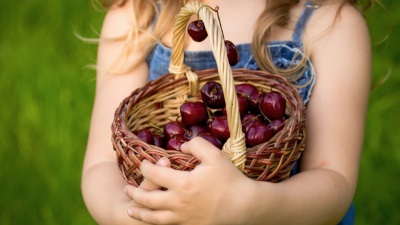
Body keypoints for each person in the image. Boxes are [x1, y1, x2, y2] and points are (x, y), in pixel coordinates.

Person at [81, 0, 373, 224]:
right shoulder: (138, 16)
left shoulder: (331, 24)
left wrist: (250, 204)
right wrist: (132, 213)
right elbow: (101, 165)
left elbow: (334, 179)